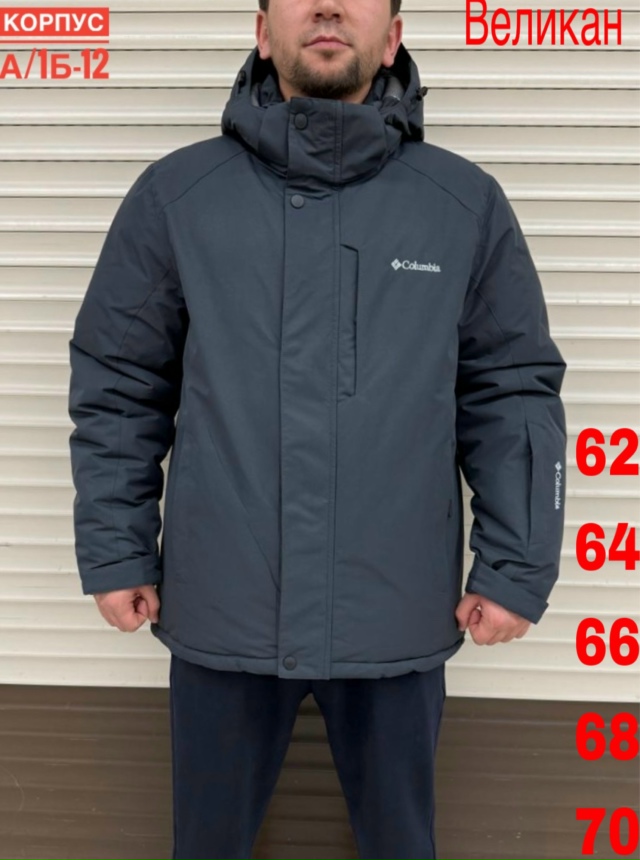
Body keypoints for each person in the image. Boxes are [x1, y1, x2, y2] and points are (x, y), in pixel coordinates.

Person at [67, 1, 567, 858]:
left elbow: (513, 392)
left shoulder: (462, 206)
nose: (329, 6)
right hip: (221, 612)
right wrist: (116, 549)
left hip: (398, 617)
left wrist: (517, 566)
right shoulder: (178, 197)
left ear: (393, 35)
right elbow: (119, 382)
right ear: (263, 31)